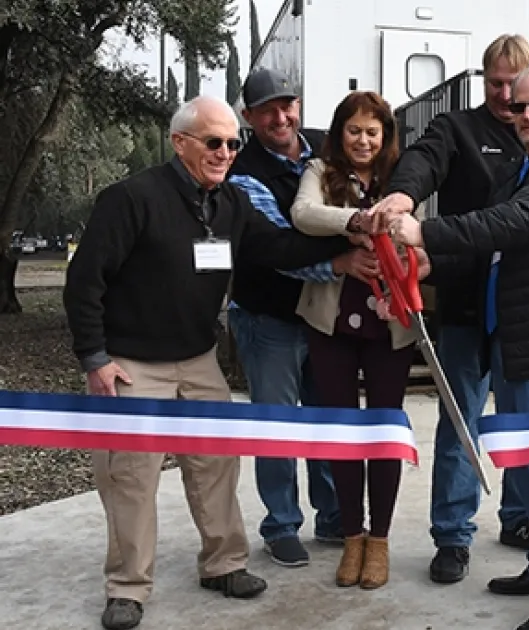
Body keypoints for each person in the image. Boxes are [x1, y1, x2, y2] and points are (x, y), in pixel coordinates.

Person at [62, 95, 354, 630]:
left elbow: (278, 249)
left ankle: (224, 565)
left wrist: (347, 244)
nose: (226, 152)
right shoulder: (131, 198)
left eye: (233, 143)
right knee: (130, 479)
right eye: (213, 142)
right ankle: (127, 587)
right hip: (132, 365)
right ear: (180, 143)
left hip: (198, 360)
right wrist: (95, 358)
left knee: (216, 466)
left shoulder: (230, 203)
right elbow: (84, 282)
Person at [389, 66, 529, 630]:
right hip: (519, 341)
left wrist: (425, 232)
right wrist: (431, 262)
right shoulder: (524, 168)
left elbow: (513, 223)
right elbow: (492, 251)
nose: (527, 115)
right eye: (519, 107)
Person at [372, 33, 529, 584]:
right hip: (465, 301)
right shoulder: (457, 128)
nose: (505, 96)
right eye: (495, 83)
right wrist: (404, 196)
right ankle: (452, 535)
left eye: (515, 85)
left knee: (520, 422)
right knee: (459, 418)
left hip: (519, 306)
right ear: (483, 79)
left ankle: (519, 517)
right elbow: (423, 159)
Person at [289, 90, 421, 590]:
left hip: (391, 323)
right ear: (338, 133)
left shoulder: (402, 181)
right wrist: (355, 222)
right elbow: (303, 213)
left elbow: (421, 234)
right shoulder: (319, 172)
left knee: (385, 434)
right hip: (332, 323)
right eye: (353, 130)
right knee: (342, 434)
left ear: (386, 136)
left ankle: (379, 540)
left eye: (372, 131)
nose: (362, 141)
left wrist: (405, 257)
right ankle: (351, 536)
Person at [224, 67, 344, 568]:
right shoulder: (241, 172)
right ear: (248, 117)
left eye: (287, 105)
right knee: (277, 425)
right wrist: (344, 253)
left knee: (327, 419)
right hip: (268, 317)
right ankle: (281, 525)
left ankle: (334, 517)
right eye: (267, 110)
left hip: (323, 316)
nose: (281, 117)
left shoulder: (326, 148)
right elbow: (276, 245)